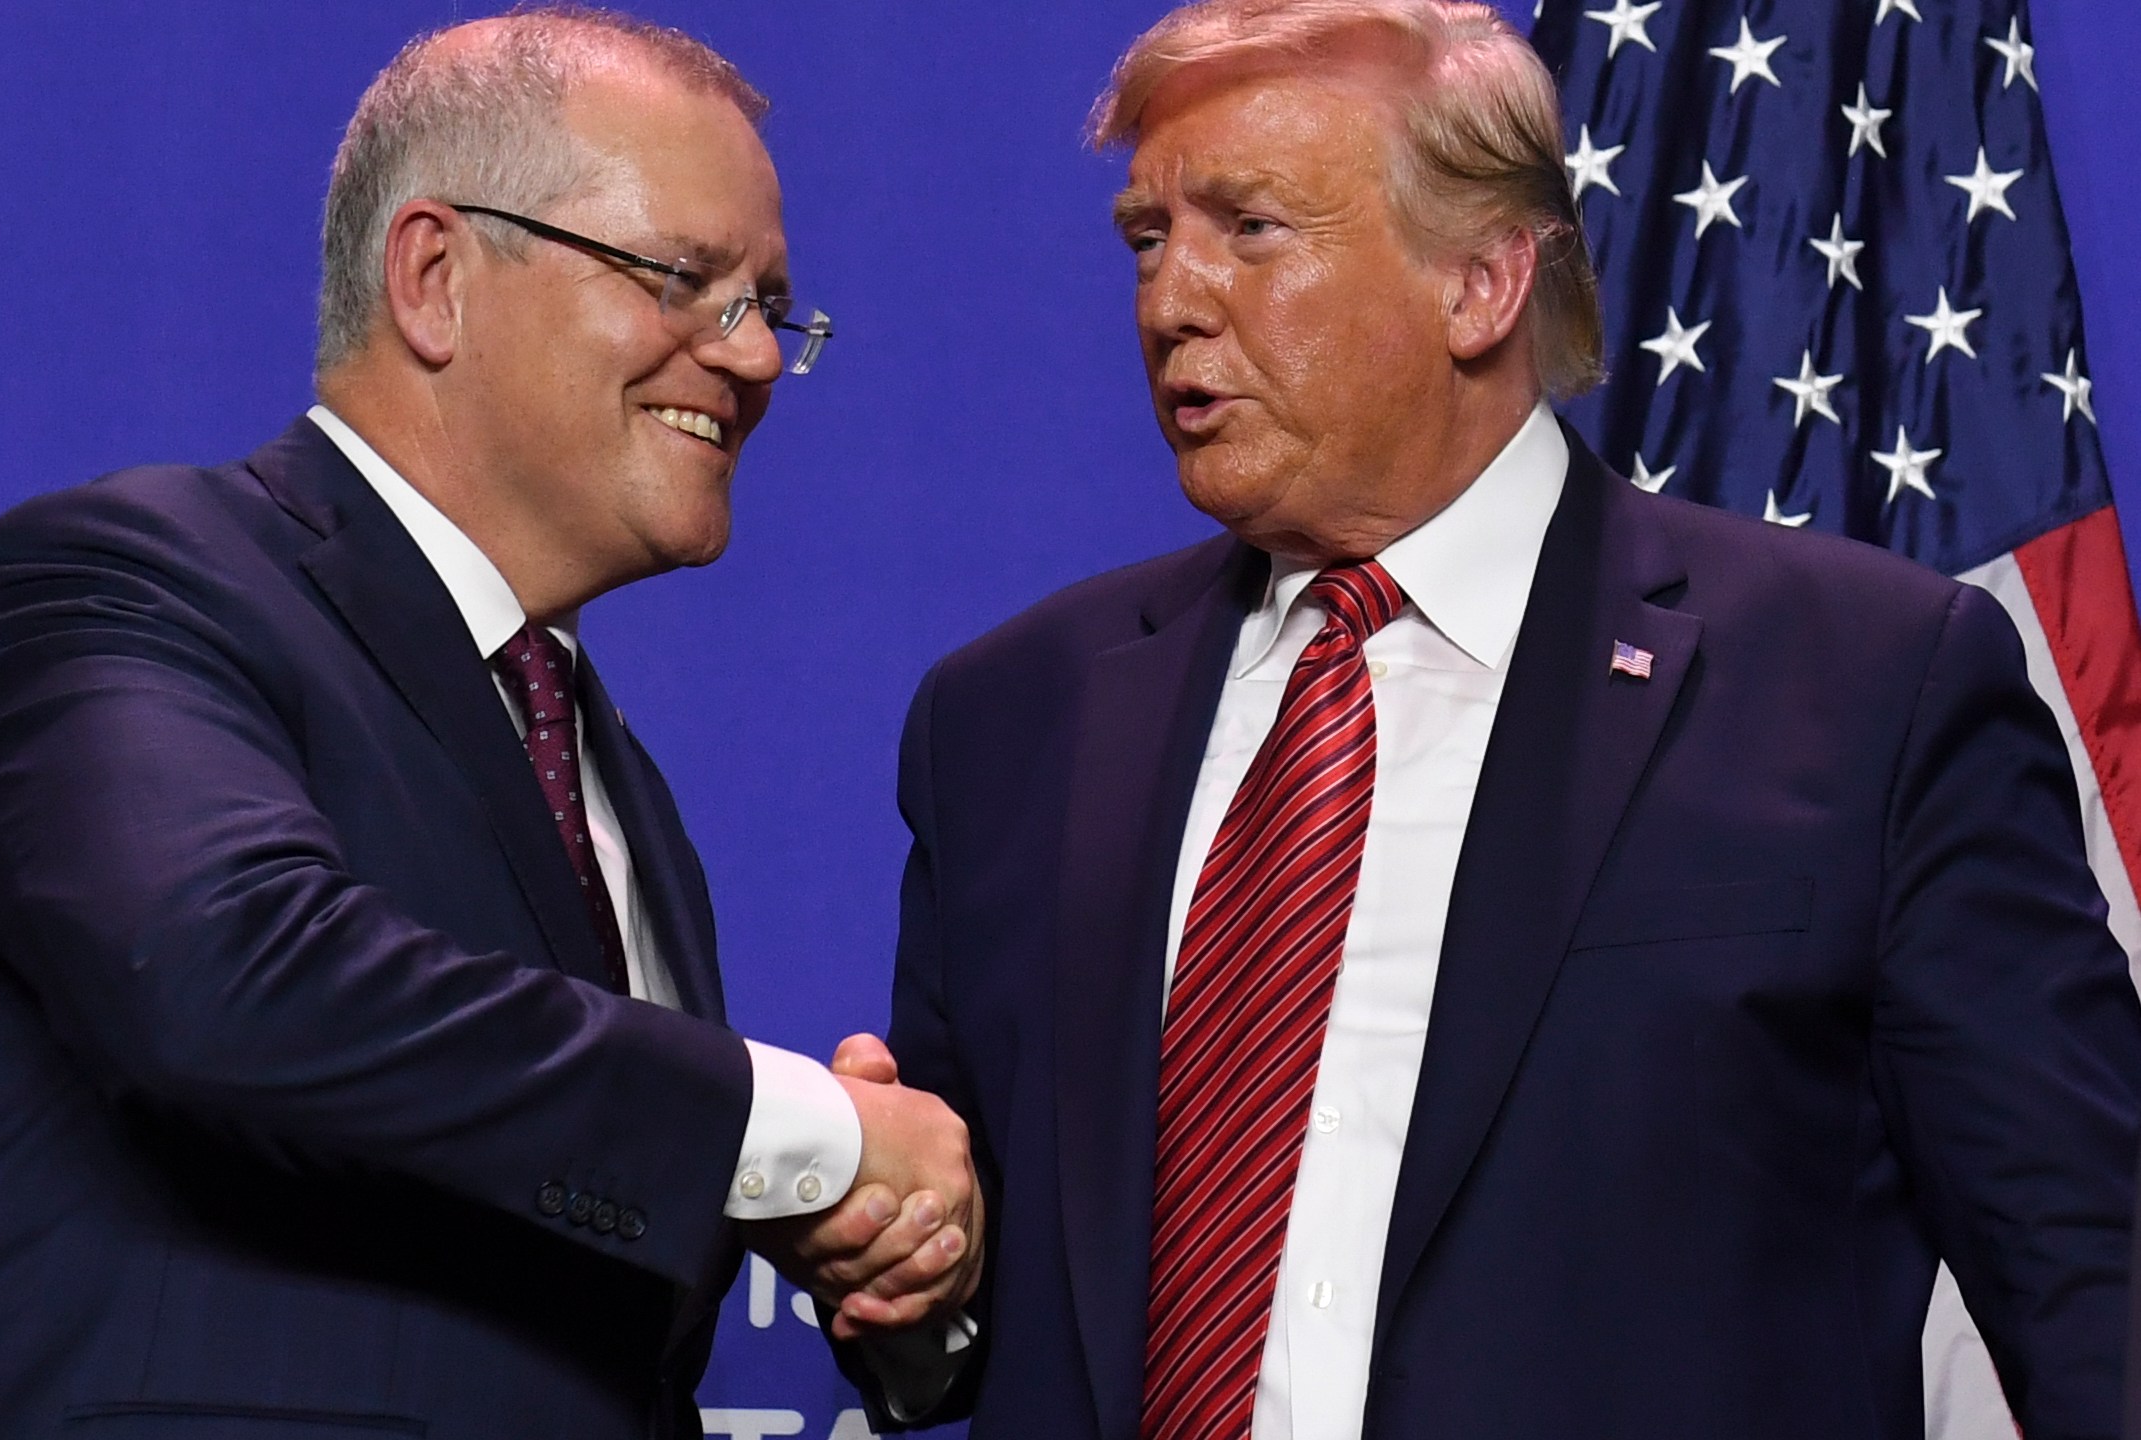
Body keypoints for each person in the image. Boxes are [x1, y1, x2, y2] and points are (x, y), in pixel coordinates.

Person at [832, 1, 2141, 1436]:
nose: (1169, 302)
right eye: (1148, 237)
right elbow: (953, 1325)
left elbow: (2088, 1275)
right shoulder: (1012, 716)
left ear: (1481, 283)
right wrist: (909, 1259)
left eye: (1250, 229)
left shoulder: (1867, 685)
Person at [0, 9, 976, 1439]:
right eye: (685, 281)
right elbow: (226, 978)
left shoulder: (608, 777)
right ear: (434, 276)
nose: (742, 358)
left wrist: (873, 1252)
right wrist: (797, 1133)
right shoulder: (128, 572)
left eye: (768, 308)